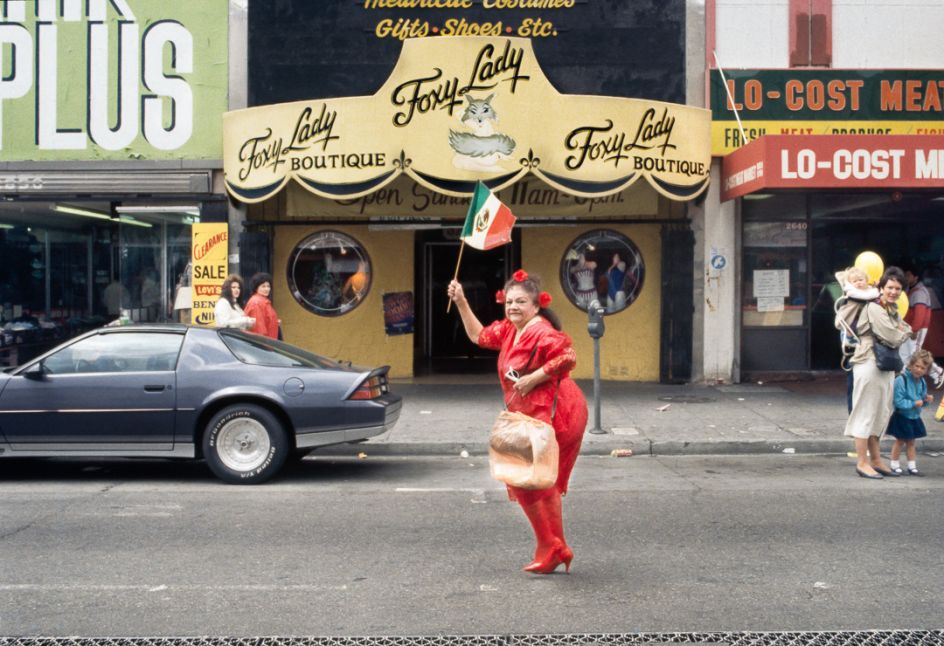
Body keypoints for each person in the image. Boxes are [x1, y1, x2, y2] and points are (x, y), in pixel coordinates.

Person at [448, 269, 588, 574]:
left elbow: (568, 357)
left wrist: (533, 378)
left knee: (528, 479)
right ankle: (555, 546)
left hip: (557, 411)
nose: (513, 306)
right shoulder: (512, 330)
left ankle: (552, 547)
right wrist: (460, 301)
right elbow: (479, 336)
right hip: (531, 412)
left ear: (536, 306)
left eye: (521, 302)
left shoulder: (540, 330)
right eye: (509, 301)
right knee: (536, 480)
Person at [843, 267, 913, 479]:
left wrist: (902, 329)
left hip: (884, 365)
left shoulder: (890, 309)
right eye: (890, 287)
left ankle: (876, 460)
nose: (893, 291)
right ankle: (862, 462)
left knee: (880, 413)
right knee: (865, 412)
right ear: (881, 288)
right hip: (869, 361)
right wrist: (906, 331)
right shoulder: (875, 308)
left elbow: (897, 330)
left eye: (897, 288)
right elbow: (892, 336)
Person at [833, 266, 880, 412]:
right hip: (854, 341)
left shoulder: (872, 295)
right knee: (854, 383)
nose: (858, 283)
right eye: (854, 281)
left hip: (869, 342)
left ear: (867, 280)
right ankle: (853, 412)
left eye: (861, 280)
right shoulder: (851, 295)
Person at [887, 349, 933, 476]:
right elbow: (897, 401)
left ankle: (912, 466)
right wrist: (914, 403)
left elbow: (921, 401)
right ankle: (894, 464)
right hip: (902, 415)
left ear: (926, 370)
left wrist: (926, 400)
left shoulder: (922, 382)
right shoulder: (901, 380)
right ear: (911, 365)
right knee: (900, 441)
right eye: (916, 366)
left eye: (923, 368)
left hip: (914, 416)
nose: (919, 370)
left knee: (912, 441)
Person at [899, 263, 944, 388]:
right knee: (911, 354)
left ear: (916, 277)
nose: (906, 277)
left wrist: (914, 329)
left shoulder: (919, 292)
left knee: (916, 354)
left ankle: (938, 372)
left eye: (908, 275)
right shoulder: (911, 290)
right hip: (910, 328)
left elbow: (920, 313)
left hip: (916, 328)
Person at [244, 272, 280, 339]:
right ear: (256, 288)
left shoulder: (263, 301)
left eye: (268, 286)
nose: (266, 289)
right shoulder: (256, 303)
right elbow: (259, 330)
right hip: (264, 344)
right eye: (263, 286)